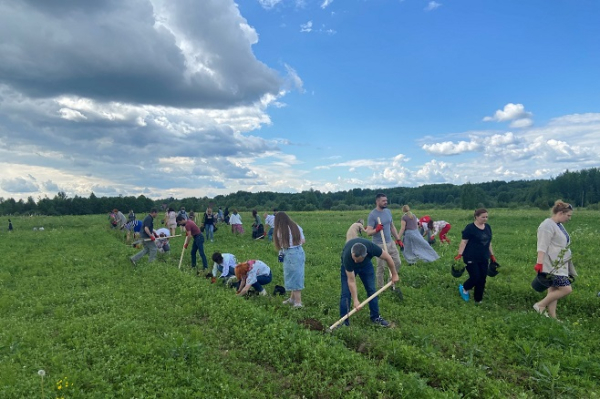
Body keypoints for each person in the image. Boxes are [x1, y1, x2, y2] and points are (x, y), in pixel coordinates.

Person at [340, 238, 399, 327]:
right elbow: (351, 281)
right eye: (354, 259)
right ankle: (344, 322)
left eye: (358, 260)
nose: (355, 262)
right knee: (346, 293)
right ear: (352, 253)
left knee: (371, 290)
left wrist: (394, 274)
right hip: (349, 268)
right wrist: (355, 300)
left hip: (366, 266)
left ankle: (375, 317)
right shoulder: (348, 258)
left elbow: (388, 258)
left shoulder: (372, 248)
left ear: (366, 255)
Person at [533, 200, 575, 320]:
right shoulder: (547, 225)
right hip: (551, 264)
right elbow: (542, 245)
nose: (569, 218)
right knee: (566, 289)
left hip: (560, 263)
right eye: (568, 215)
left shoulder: (558, 225)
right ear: (561, 213)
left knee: (554, 289)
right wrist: (539, 264)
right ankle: (540, 305)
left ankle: (553, 317)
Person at [454, 208, 496, 304]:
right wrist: (459, 254)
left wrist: (492, 255)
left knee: (482, 278)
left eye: (486, 217)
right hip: (471, 257)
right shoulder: (470, 228)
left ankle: (478, 299)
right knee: (475, 276)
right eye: (483, 217)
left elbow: (489, 243)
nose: (485, 219)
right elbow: (464, 242)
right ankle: (465, 288)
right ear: (476, 217)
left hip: (484, 257)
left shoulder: (488, 227)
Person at [365, 193, 403, 289]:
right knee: (381, 267)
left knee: (397, 262)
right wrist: (376, 230)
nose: (386, 202)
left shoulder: (388, 212)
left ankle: (390, 283)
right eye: (383, 201)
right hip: (379, 245)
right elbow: (368, 232)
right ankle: (381, 288)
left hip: (390, 242)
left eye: (386, 200)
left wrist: (398, 238)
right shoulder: (372, 215)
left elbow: (392, 226)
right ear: (377, 201)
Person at [273, 212, 306, 308]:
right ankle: (292, 299)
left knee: (294, 277)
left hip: (290, 253)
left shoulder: (280, 230)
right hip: (299, 251)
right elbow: (303, 240)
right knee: (296, 275)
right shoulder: (296, 226)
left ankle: (298, 303)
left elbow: (281, 244)